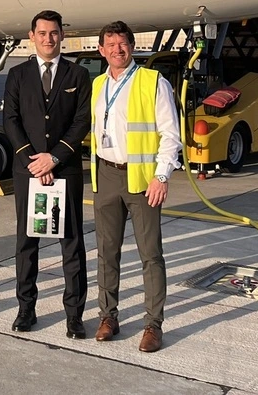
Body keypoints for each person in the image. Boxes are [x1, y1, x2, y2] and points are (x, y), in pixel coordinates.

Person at [89, 21, 181, 353]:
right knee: (106, 252)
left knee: (150, 255)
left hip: (142, 179)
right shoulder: (98, 84)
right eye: (111, 44)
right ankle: (108, 317)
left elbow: (170, 134)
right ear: (101, 50)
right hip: (106, 174)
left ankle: (153, 325)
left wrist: (162, 176)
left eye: (123, 43)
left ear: (132, 46)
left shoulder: (153, 82)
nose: (118, 50)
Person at [3, 10, 92, 339]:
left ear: (62, 35)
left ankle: (74, 314)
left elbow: (81, 121)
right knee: (27, 242)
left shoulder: (77, 74)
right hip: (28, 171)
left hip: (65, 169)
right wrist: (33, 161)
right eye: (42, 33)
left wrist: (53, 158)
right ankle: (26, 308)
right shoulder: (17, 74)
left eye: (54, 33)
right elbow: (10, 120)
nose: (48, 39)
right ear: (32, 36)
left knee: (72, 243)